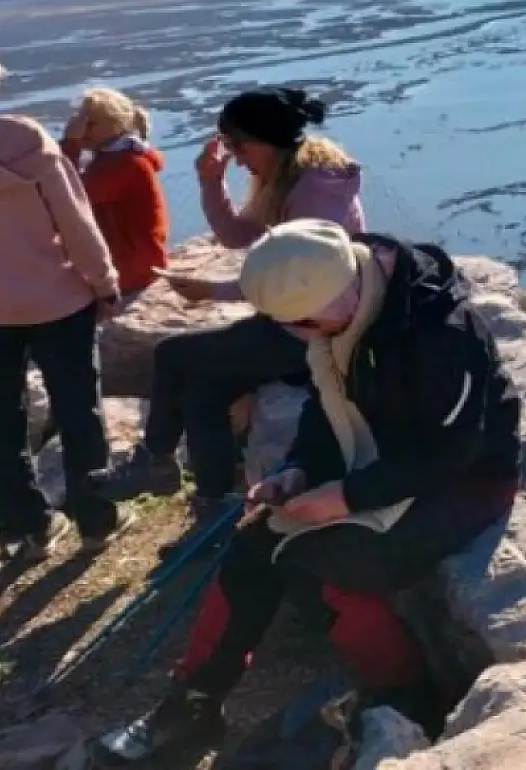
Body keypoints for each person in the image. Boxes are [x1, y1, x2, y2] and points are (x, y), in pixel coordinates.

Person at [91, 219, 523, 765]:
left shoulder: (442, 333)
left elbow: (451, 453)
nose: (301, 336)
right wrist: (298, 469)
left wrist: (346, 497)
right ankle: (191, 708)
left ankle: (410, 694)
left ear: (341, 294)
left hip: (467, 481)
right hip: (380, 457)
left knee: (317, 558)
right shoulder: (352, 308)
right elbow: (327, 403)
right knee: (256, 541)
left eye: (303, 322)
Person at [101, 86, 367, 554]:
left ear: (267, 140)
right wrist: (210, 181)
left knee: (173, 354)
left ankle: (157, 462)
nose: (237, 158)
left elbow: (305, 279)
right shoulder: (287, 178)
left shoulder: (315, 191)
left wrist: (215, 292)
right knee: (201, 385)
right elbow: (235, 236)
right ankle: (215, 507)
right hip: (289, 321)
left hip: (316, 330)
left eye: (239, 146)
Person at [0, 32, 128, 559]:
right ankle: (95, 521)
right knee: (78, 410)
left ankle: (31, 529)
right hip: (58, 300)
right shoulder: (27, 137)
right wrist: (104, 283)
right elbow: (76, 223)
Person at [60, 88, 168, 299]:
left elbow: (72, 194)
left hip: (131, 267)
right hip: (134, 260)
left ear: (115, 124)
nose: (83, 130)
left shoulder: (126, 163)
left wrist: (70, 145)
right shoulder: (114, 159)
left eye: (91, 124)